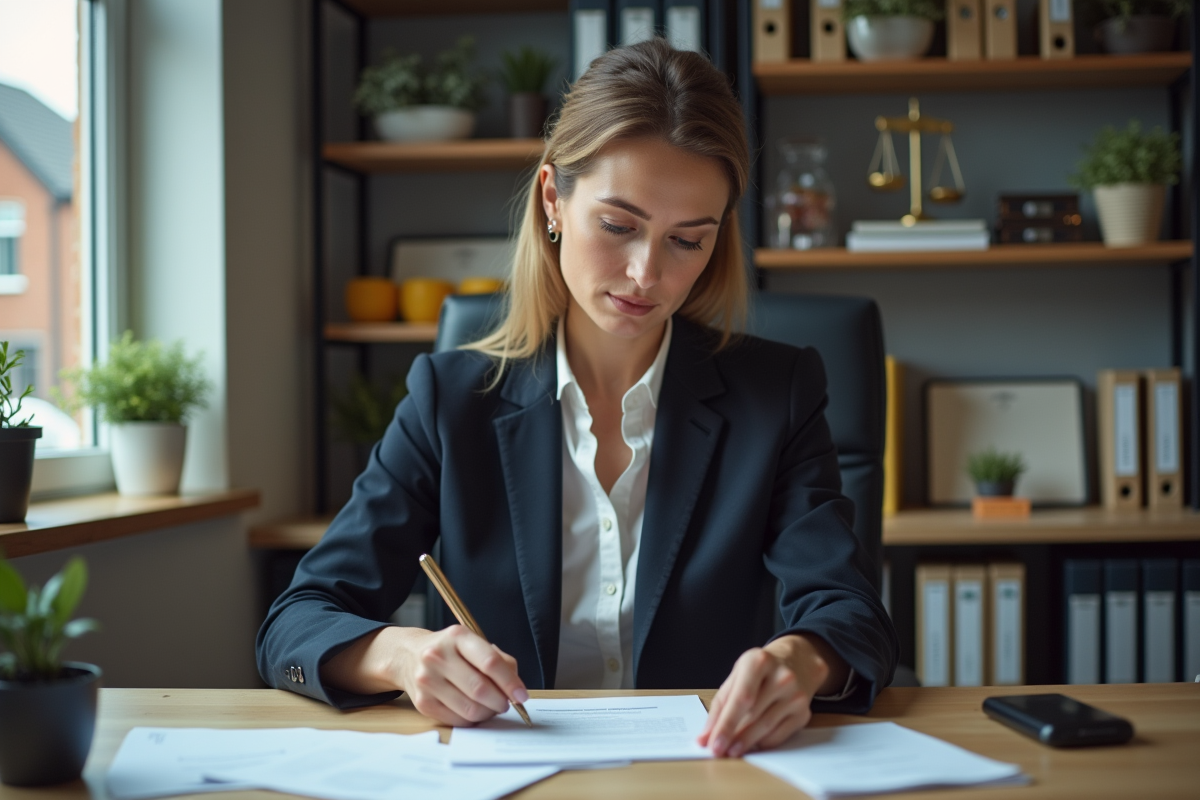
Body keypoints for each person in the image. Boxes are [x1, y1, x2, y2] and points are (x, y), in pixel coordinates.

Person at [258, 38, 897, 759]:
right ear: (552, 199)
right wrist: (403, 657)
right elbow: (299, 618)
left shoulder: (775, 396)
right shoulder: (450, 399)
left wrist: (795, 665)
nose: (645, 273)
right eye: (618, 225)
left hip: (701, 776)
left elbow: (852, 615)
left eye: (688, 240)